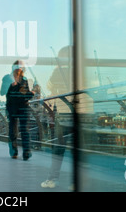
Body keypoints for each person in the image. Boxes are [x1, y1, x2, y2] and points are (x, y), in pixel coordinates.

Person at [40, 45, 74, 189]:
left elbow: (50, 87)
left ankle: (52, 179)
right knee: (76, 150)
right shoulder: (78, 71)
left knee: (59, 148)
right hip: (80, 113)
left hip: (64, 113)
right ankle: (75, 181)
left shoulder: (58, 72)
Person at [6, 60, 34, 160]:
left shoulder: (24, 80)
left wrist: (30, 94)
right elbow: (9, 96)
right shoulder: (10, 81)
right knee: (13, 131)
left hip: (22, 108)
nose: (18, 68)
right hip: (13, 108)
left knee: (24, 130)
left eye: (20, 67)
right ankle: (14, 152)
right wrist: (31, 94)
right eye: (17, 67)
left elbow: (23, 95)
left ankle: (26, 152)